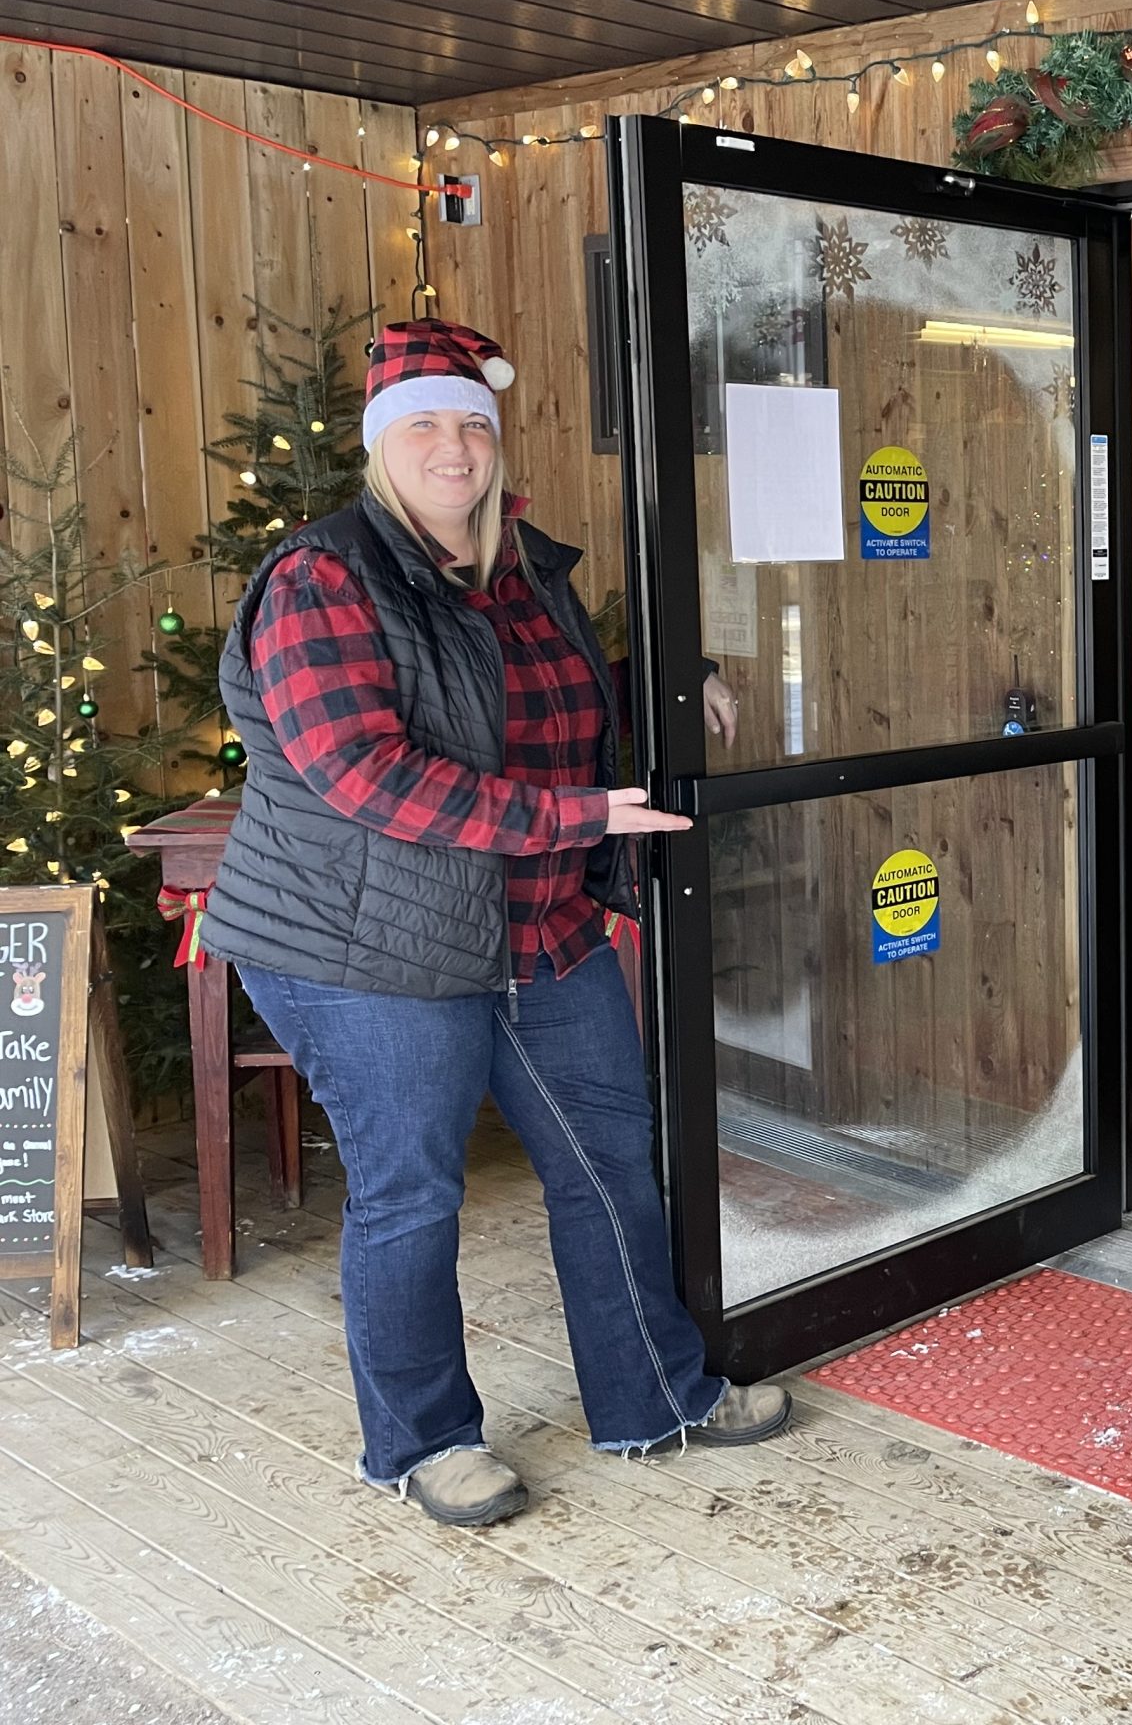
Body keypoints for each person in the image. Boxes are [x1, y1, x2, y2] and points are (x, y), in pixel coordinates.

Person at [201, 318, 790, 1526]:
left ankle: (658, 1398)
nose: (453, 445)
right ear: (379, 447)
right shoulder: (323, 577)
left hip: (535, 928)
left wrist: (672, 680)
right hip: (366, 951)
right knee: (412, 1193)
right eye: (423, 423)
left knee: (607, 1164)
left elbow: (526, 699)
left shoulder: (518, 569)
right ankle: (424, 1444)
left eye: (471, 421)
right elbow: (364, 770)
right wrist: (576, 814)